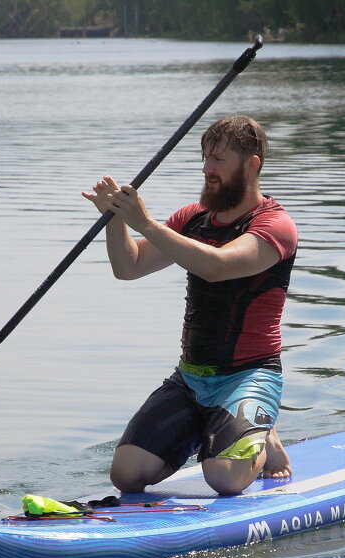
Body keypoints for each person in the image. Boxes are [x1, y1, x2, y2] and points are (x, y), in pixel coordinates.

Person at [82, 116, 297, 496]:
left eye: (218, 160)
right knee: (127, 476)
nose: (207, 170)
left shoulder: (274, 225)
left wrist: (145, 223)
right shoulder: (191, 219)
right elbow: (128, 267)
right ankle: (213, 427)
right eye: (204, 159)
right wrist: (115, 220)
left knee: (225, 479)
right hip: (190, 378)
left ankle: (264, 437)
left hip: (248, 375)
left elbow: (217, 267)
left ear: (252, 165)